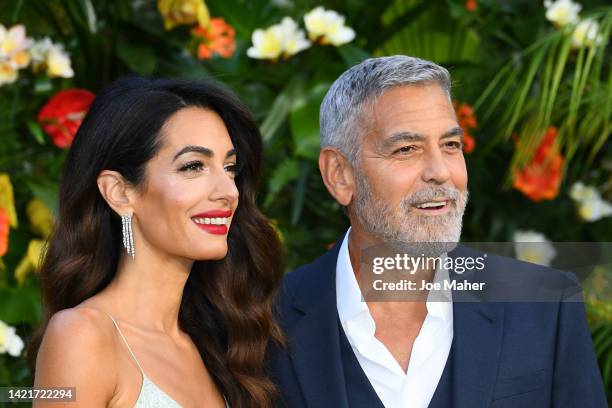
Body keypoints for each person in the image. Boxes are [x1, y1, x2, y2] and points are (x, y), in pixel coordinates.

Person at [266, 56, 607, 407]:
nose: (440, 171)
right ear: (340, 174)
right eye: (406, 149)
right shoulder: (263, 322)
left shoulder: (545, 306)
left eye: (450, 145)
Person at [30, 76, 284, 408]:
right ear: (119, 192)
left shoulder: (220, 342)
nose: (229, 192)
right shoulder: (82, 336)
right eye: (194, 166)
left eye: (230, 168)